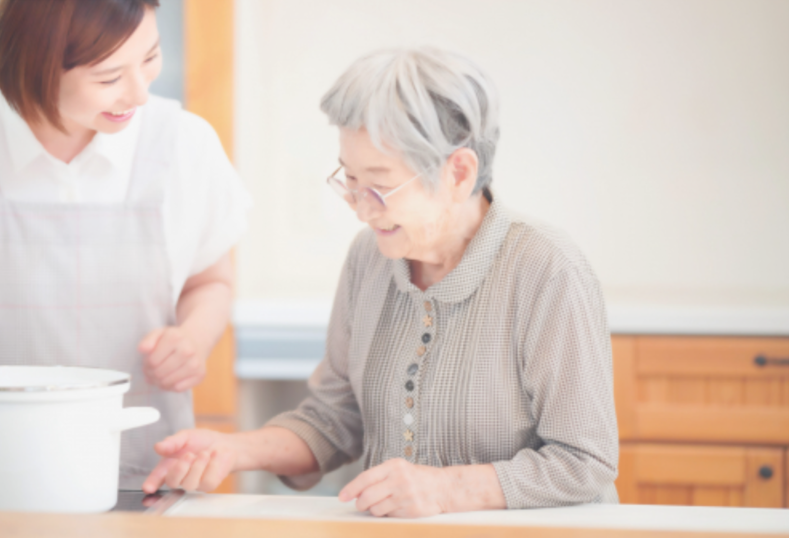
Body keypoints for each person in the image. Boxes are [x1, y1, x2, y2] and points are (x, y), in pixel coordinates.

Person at [142, 47, 619, 517]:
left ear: (458, 172)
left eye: (379, 184)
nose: (360, 207)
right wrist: (233, 451)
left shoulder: (548, 271)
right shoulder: (369, 258)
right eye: (349, 178)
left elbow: (585, 460)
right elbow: (333, 420)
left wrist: (448, 489)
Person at [0, 0, 250, 489]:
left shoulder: (185, 145)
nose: (141, 93)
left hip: (140, 480)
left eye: (150, 57)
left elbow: (212, 280)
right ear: (30, 67)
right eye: (109, 77)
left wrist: (194, 338)